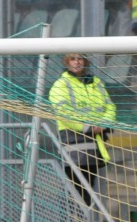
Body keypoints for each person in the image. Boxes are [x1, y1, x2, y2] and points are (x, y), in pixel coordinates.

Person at [48, 54, 116, 208]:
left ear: (85, 61)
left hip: (94, 143)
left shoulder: (96, 83)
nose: (77, 62)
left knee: (88, 187)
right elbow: (63, 112)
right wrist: (87, 127)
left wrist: (103, 124)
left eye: (80, 59)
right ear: (66, 62)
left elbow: (110, 106)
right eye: (73, 59)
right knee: (77, 189)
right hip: (74, 142)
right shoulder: (61, 85)